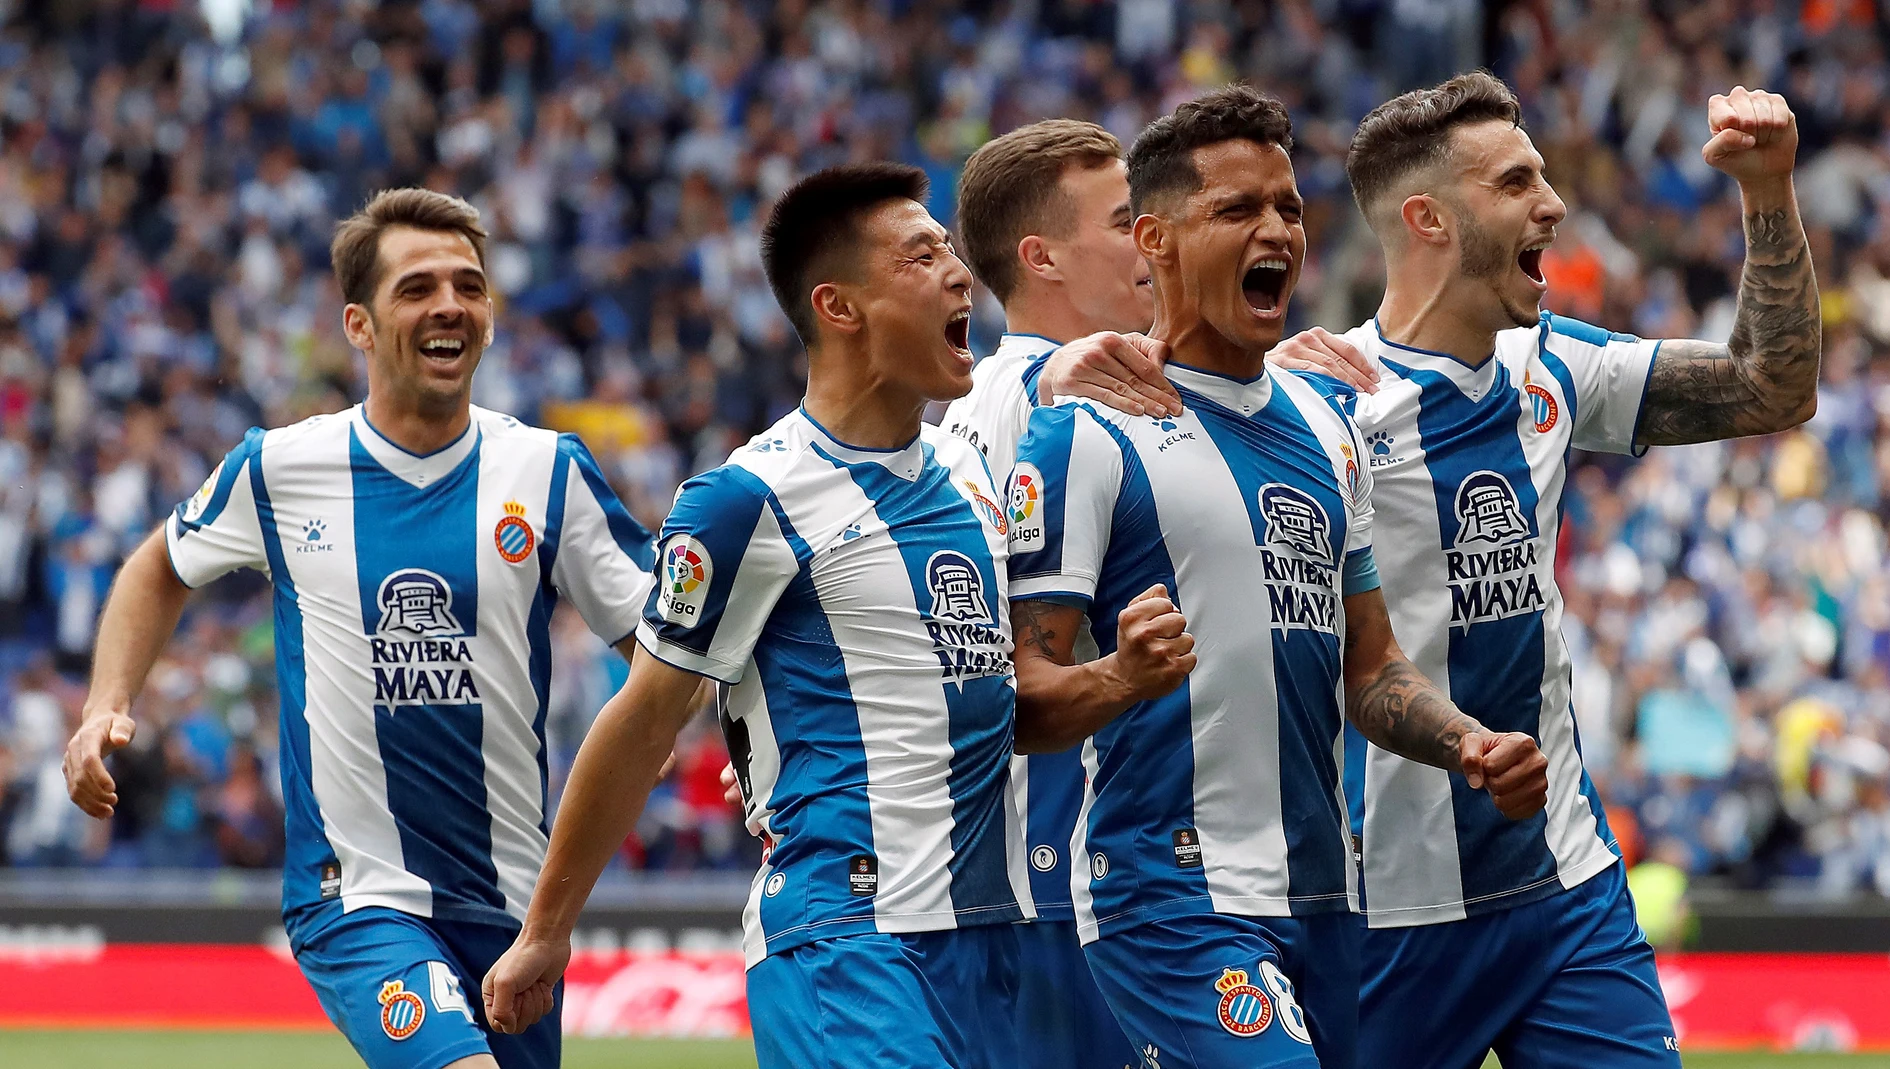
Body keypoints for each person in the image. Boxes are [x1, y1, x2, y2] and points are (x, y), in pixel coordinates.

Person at [1005, 86, 1550, 1069]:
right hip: (1168, 894)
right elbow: (1017, 694)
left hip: (1324, 901)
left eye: (1288, 208)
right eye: (1236, 210)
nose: (1276, 231)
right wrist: (1119, 679)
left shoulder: (1328, 426)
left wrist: (1470, 743)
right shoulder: (1085, 429)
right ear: (1154, 241)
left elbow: (1373, 670)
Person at [61, 189, 658, 1069]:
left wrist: (735, 735)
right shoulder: (280, 467)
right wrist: (102, 704)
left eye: (470, 285)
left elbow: (663, 659)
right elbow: (158, 563)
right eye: (417, 287)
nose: (450, 304)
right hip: (357, 898)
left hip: (515, 910)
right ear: (360, 324)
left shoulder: (549, 471)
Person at [480, 163, 1033, 1069]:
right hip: (848, 941)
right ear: (840, 307)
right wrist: (548, 929)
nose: (958, 271)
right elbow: (646, 713)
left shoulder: (970, 476)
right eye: (921, 254)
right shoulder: (750, 499)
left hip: (988, 944)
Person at [1326, 72, 1820, 1068]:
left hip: (1564, 884)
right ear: (1427, 218)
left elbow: (1771, 386)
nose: (1552, 205)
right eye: (1516, 183)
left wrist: (1766, 193)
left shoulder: (1549, 366)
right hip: (1390, 905)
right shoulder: (1319, 406)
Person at [938, 117, 1157, 1069]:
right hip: (1071, 863)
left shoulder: (986, 402)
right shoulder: (1044, 397)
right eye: (1124, 221)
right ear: (1042, 257)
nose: (1150, 240)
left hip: (1085, 862)